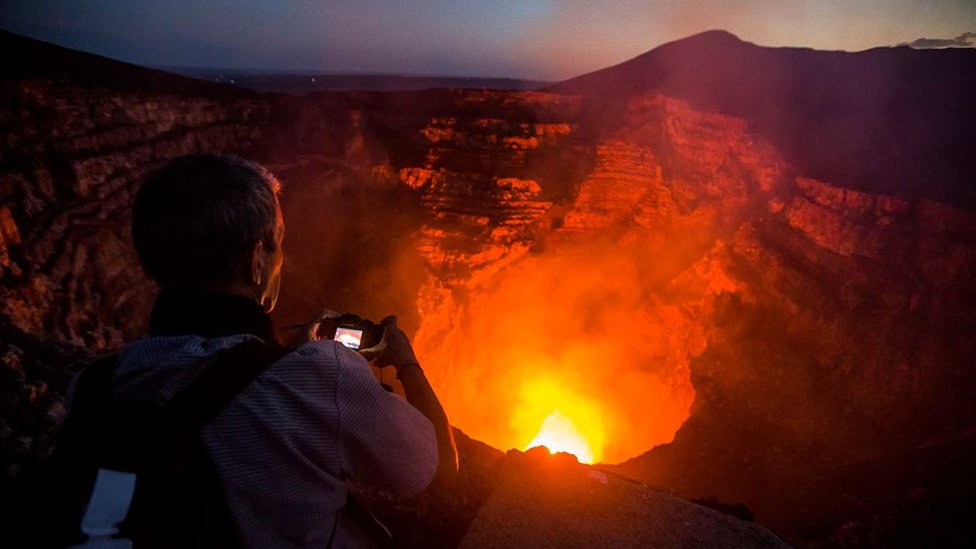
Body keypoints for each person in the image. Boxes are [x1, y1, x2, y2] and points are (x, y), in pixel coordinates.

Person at [117, 152, 457, 547]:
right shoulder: (320, 376)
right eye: (278, 243)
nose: (284, 258)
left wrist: (278, 355)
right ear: (256, 260)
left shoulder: (99, 385)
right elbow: (440, 473)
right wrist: (406, 361)